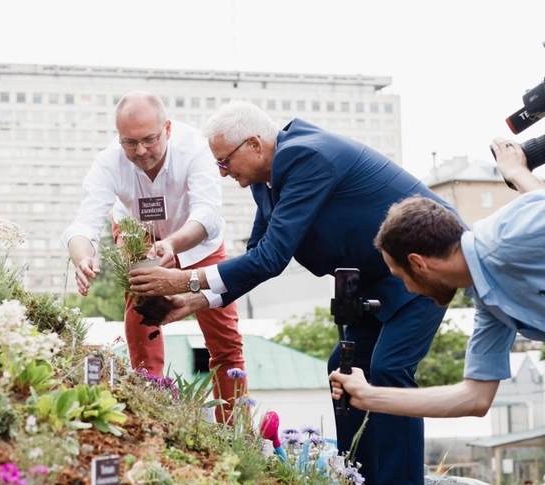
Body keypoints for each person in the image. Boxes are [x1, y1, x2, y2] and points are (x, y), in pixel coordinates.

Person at [128, 100, 461, 485]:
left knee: (389, 371)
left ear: (254, 144)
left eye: (224, 162)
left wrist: (184, 280)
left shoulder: (307, 157)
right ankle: (358, 476)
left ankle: (401, 481)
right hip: (377, 281)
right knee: (343, 370)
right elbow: (258, 254)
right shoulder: (266, 180)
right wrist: (193, 302)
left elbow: (272, 257)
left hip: (428, 266)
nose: (222, 173)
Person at [60, 91, 246, 422]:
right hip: (139, 237)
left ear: (168, 129)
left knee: (225, 340)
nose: (141, 151)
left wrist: (174, 244)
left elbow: (207, 214)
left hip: (196, 241)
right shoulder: (108, 162)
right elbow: (84, 223)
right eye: (129, 142)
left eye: (149, 140)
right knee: (144, 317)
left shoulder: (195, 149)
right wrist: (82, 257)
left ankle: (235, 428)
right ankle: (154, 413)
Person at [329, 138, 545, 419]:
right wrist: (368, 395)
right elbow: (475, 398)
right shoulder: (489, 301)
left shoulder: (503, 237)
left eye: (400, 276)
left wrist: (518, 174)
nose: (406, 289)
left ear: (418, 263)